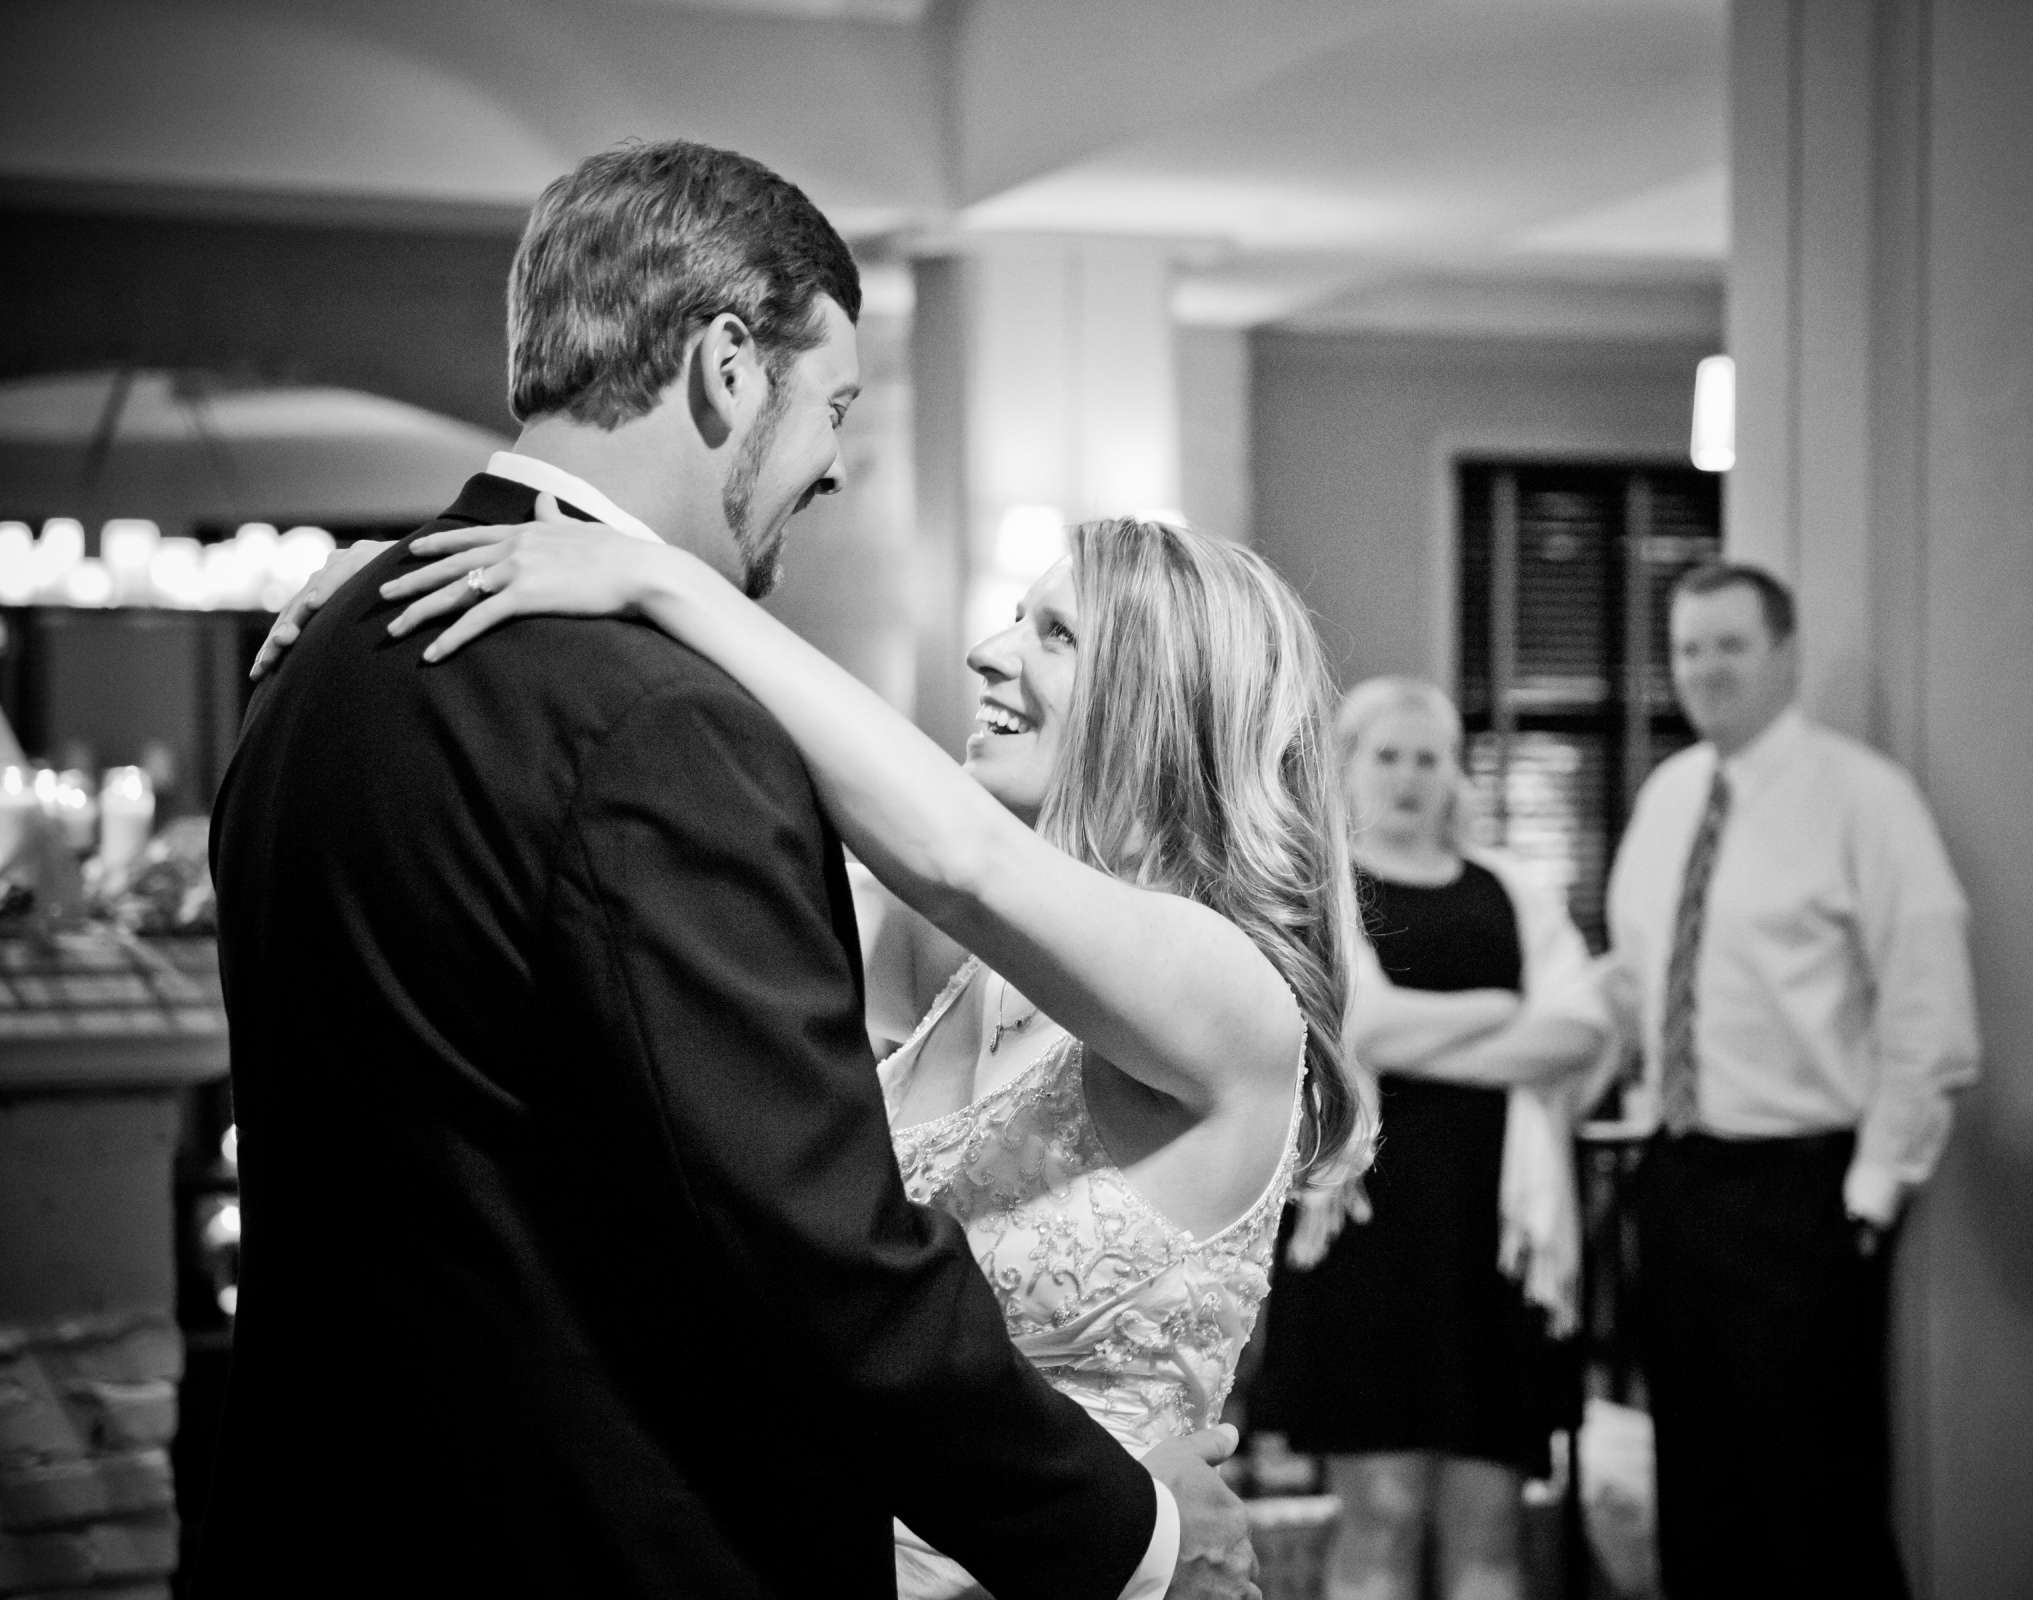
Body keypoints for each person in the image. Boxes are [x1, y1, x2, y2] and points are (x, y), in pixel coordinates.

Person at [205, 140, 1267, 1600]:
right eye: (830, 404)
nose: (834, 461)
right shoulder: (660, 722)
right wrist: (1127, 1535)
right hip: (599, 1544)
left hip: (329, 1521)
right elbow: (805, 1250)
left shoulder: (319, 650)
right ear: (725, 368)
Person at [1604, 562, 1980, 1599]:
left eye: (1730, 644)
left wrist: (1873, 1189)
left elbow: (1926, 999)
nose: (1705, 670)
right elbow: (1633, 982)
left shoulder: (1864, 798)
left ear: (1785, 654)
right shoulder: (1668, 797)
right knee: (1700, 1489)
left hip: (1805, 1195)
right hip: (1677, 1182)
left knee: (1817, 1497)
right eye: (1688, 648)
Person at [1248, 676, 1616, 1600]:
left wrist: (1429, 1035)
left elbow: (1578, 1033)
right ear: (1347, 766)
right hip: (1367, 1241)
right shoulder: (1321, 886)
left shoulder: (1512, 893)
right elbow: (1358, 1029)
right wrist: (1501, 1014)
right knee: (1379, 1516)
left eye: (1429, 757)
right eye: (1388, 756)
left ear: (1454, 773)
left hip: (1492, 1249)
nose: (1410, 777)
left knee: (1489, 1527)